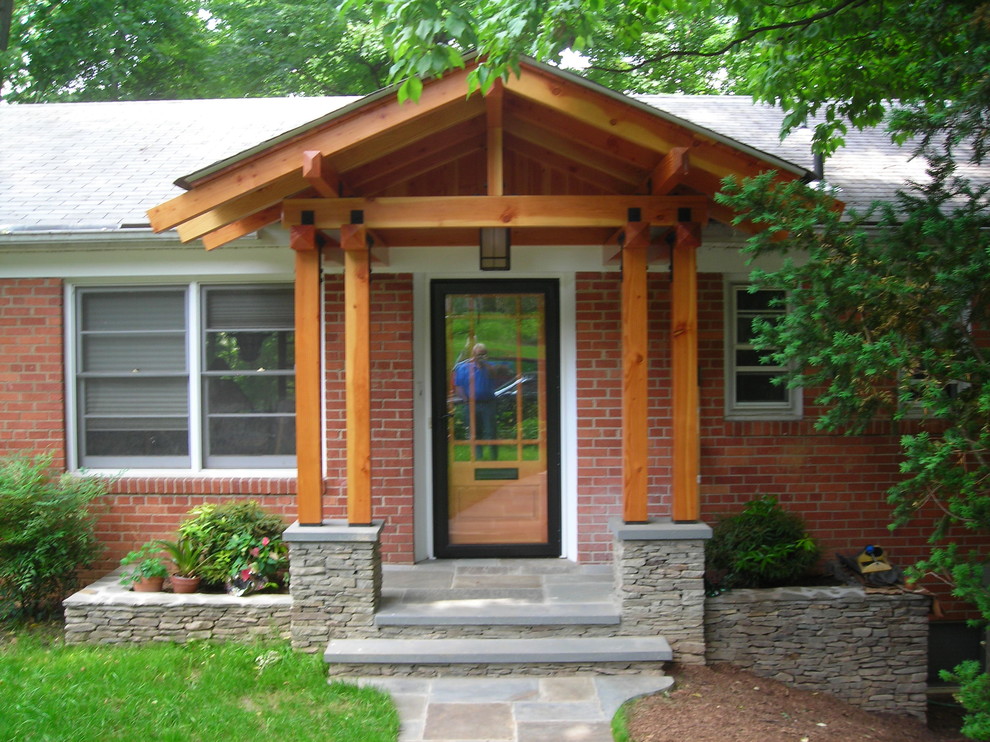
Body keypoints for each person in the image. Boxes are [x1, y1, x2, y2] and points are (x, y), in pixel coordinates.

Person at [452, 343, 507, 460]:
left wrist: (484, 364)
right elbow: (458, 387)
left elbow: (494, 374)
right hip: (471, 405)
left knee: (491, 432)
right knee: (475, 433)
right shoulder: (463, 368)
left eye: (484, 354)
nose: (481, 356)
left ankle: (494, 458)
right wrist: (466, 400)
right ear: (473, 354)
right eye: (479, 354)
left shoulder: (490, 366)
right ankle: (478, 458)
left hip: (488, 404)